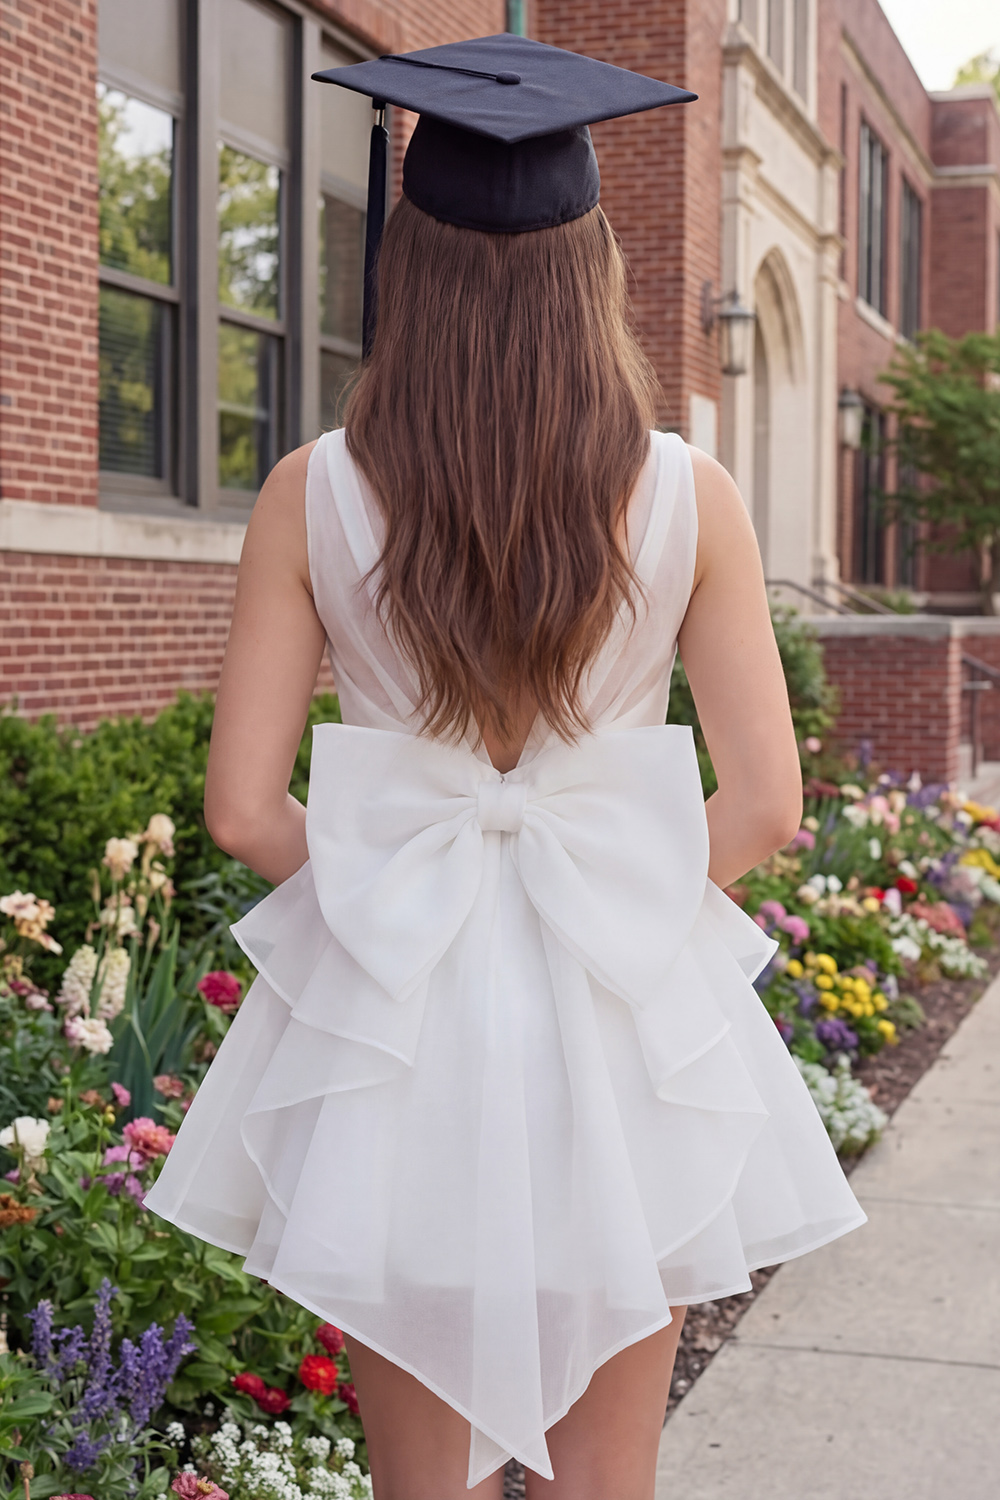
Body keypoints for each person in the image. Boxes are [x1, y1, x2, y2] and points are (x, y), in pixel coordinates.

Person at [144, 34, 867, 1500]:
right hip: (623, 1029)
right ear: (593, 260)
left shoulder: (314, 491)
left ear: (409, 262)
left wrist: (400, 894)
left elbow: (240, 807)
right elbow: (769, 802)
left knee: (427, 1488)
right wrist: (613, 904)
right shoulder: (688, 495)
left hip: (398, 1031)